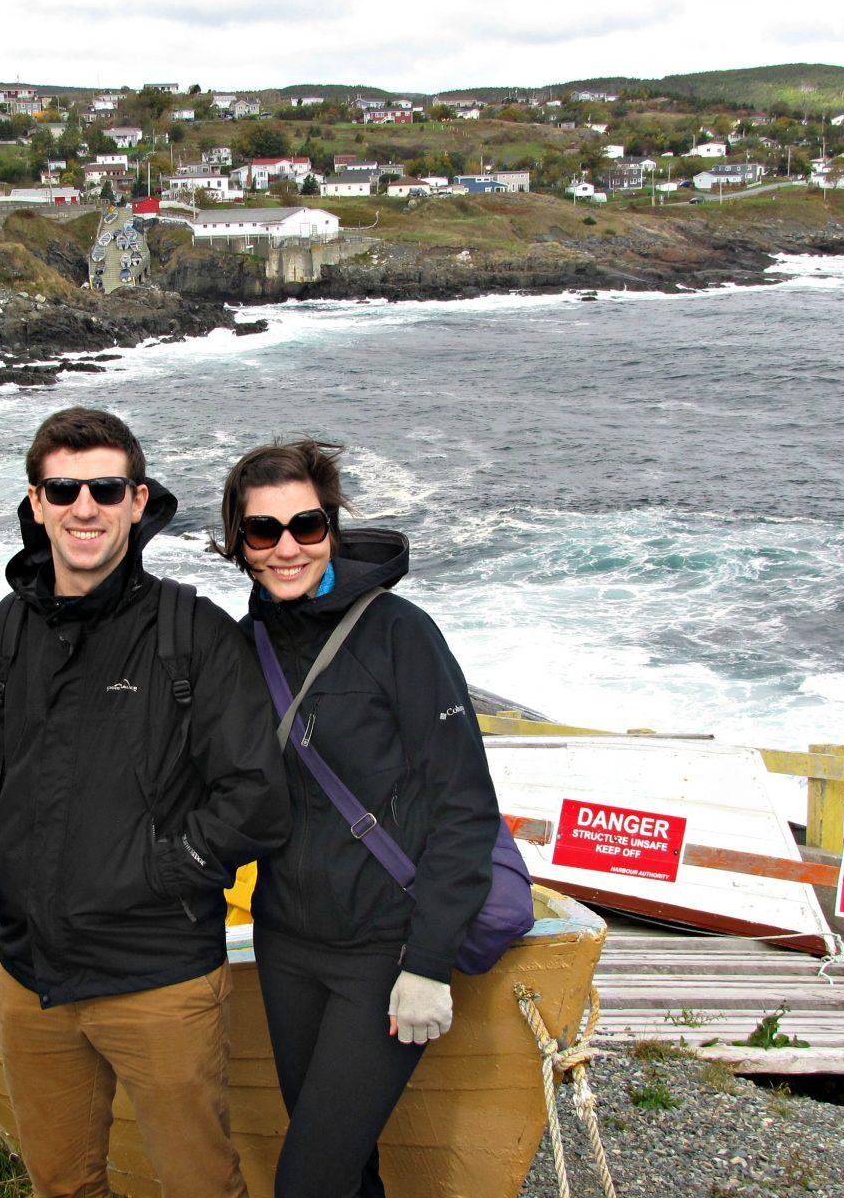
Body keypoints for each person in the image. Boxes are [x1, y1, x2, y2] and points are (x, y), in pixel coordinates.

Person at [0, 407, 289, 1198]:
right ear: (36, 503)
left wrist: (162, 870)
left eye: (103, 487)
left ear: (137, 499)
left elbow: (256, 794)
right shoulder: (1, 634)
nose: (82, 507)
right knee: (61, 1184)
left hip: (158, 977)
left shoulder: (190, 633)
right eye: (63, 489)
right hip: (31, 980)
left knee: (199, 1185)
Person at [216, 440, 503, 1198]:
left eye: (306, 526)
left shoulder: (401, 634)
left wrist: (429, 962)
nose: (287, 548)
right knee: (344, 1169)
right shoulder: (242, 648)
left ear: (332, 528)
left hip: (384, 951)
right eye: (263, 532)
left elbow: (466, 808)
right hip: (284, 946)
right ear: (237, 544)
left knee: (306, 1182)